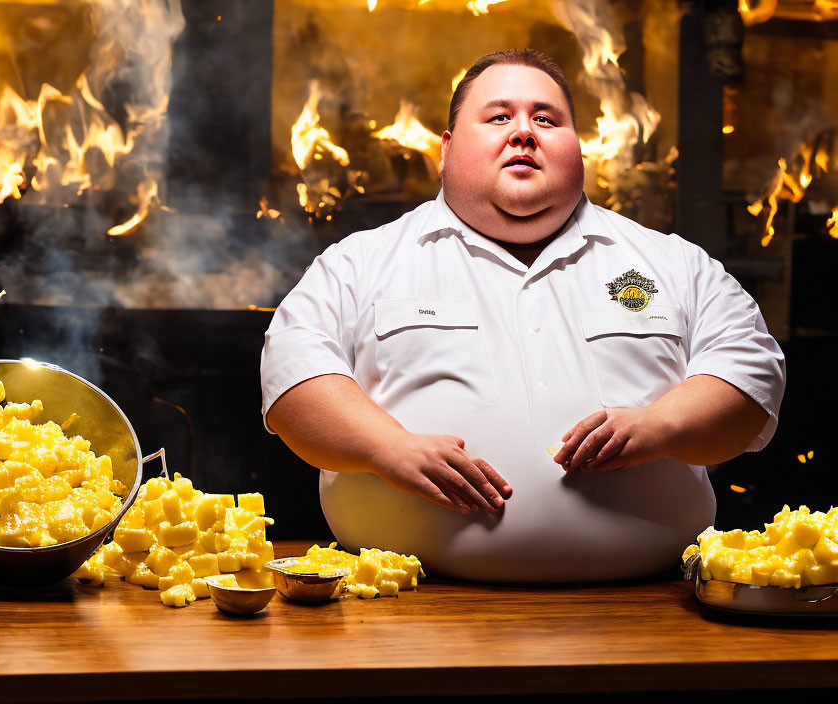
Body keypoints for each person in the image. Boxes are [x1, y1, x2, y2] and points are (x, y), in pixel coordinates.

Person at [260, 49, 785, 582]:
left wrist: (660, 425)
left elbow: (751, 368)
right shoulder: (360, 262)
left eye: (545, 118)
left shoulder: (672, 262)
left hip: (651, 607)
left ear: (578, 147)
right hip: (400, 605)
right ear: (445, 149)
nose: (523, 132)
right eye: (497, 117)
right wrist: (386, 447)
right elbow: (292, 374)